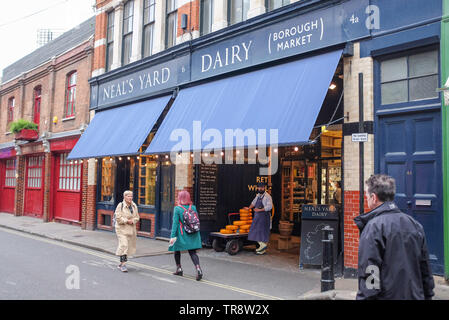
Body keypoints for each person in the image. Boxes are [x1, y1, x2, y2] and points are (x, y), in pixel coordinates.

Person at [354, 174, 435, 300]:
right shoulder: (415, 225)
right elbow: (425, 269)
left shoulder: (373, 228)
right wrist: (428, 295)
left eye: (366, 196)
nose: (367, 199)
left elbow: (370, 272)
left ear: (373, 197)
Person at [169, 190, 203, 281]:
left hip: (182, 234)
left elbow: (175, 224)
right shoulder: (194, 207)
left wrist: (172, 236)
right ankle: (198, 268)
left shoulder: (177, 209)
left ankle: (179, 269)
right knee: (192, 252)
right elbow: (196, 220)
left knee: (176, 249)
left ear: (179, 198)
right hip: (193, 232)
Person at [115, 190, 140, 273]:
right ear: (124, 197)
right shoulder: (120, 205)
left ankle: (120, 263)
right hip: (121, 229)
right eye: (128, 196)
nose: (130, 198)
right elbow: (118, 218)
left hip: (131, 229)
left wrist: (133, 221)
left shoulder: (134, 205)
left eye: (131, 196)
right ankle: (123, 265)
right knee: (124, 245)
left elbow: (137, 217)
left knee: (128, 247)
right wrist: (126, 221)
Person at [246, 182, 273, 255]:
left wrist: (260, 210)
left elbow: (269, 207)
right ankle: (262, 248)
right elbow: (253, 203)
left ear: (264, 188)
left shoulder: (267, 196)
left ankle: (263, 246)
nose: (260, 189)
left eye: (262, 187)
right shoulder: (258, 195)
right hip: (257, 217)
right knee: (254, 231)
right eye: (259, 187)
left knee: (262, 232)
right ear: (257, 188)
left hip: (264, 217)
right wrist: (248, 208)